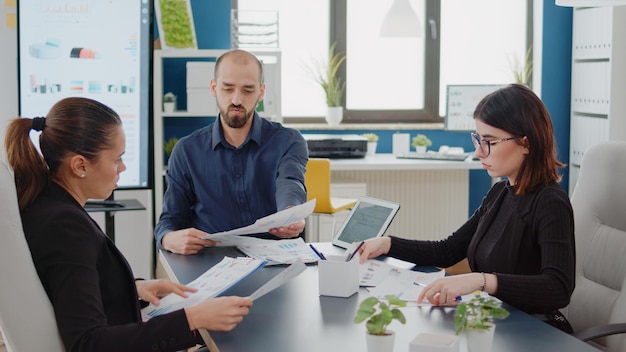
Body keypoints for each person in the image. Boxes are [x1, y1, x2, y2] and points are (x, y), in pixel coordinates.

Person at [4, 97, 253, 352]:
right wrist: (193, 318)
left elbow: (71, 291)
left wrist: (134, 289)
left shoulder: (48, 205)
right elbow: (88, 344)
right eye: (116, 160)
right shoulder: (64, 226)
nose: (122, 168)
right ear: (80, 165)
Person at [359, 84, 575, 332]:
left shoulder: (550, 202)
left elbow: (558, 289)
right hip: (497, 322)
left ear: (526, 143)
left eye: (489, 142)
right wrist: (388, 243)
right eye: (478, 140)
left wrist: (482, 281)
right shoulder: (499, 193)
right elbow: (448, 250)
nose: (478, 152)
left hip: (534, 331)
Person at [155, 49, 308, 255]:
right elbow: (170, 219)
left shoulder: (288, 141)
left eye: (247, 90)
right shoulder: (186, 150)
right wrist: (167, 238)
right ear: (213, 87)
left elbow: (290, 182)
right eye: (228, 89)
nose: (236, 100)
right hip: (209, 262)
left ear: (261, 92)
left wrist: (290, 213)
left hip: (274, 260)